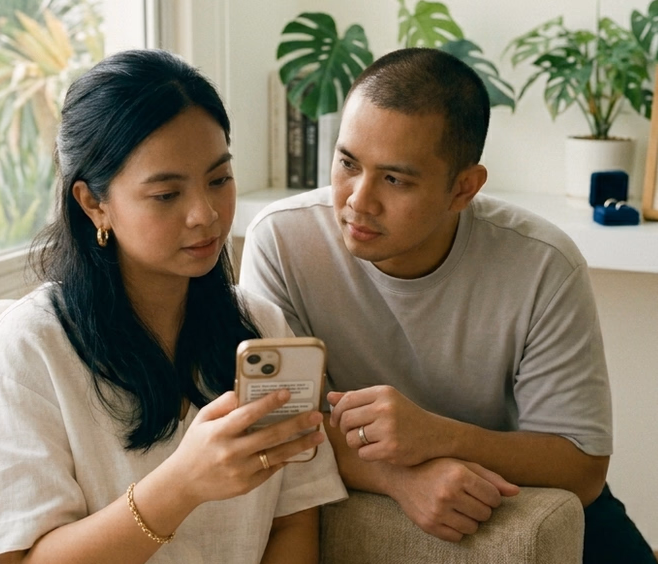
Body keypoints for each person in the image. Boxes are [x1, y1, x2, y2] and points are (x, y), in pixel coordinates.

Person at [239, 47, 655, 562]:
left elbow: (583, 467)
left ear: (464, 188)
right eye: (347, 163)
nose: (358, 200)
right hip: (369, 476)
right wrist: (396, 475)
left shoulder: (543, 263)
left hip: (514, 484)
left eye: (395, 179)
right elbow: (273, 425)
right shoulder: (280, 241)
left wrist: (435, 436)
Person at [0, 49, 346, 564]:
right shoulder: (29, 350)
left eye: (219, 179)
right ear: (94, 203)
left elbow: (294, 521)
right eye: (166, 194)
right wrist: (181, 485)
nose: (205, 214)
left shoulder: (261, 327)